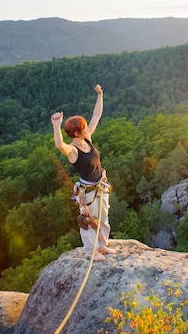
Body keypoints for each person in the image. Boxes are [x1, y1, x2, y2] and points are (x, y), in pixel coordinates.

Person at [51, 84, 116, 261]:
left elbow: (97, 115)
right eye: (85, 127)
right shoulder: (73, 151)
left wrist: (100, 95)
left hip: (101, 185)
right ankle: (90, 251)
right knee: (88, 221)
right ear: (78, 132)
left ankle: (102, 245)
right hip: (88, 192)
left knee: (103, 217)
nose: (89, 127)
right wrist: (56, 126)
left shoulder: (87, 139)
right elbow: (59, 145)